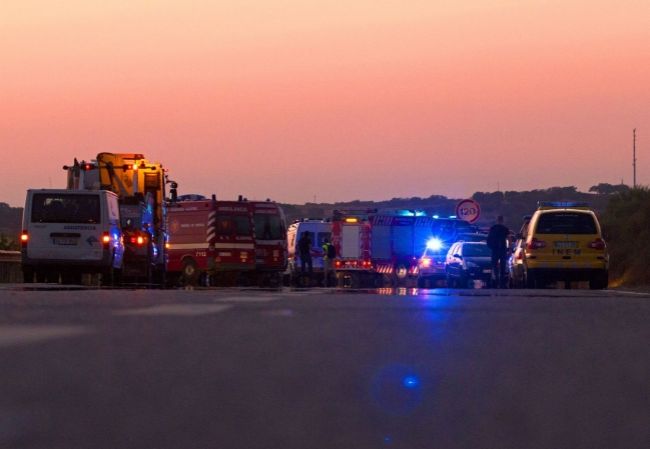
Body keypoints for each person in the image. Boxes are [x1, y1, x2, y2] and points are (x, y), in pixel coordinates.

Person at [487, 215, 510, 288]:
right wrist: (509, 248)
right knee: (502, 266)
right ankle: (502, 282)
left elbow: (488, 238)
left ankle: (495, 280)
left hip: (495, 249)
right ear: (502, 220)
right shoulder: (505, 229)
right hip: (502, 249)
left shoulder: (493, 228)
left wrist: (491, 247)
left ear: (497, 220)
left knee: (494, 266)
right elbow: (509, 239)